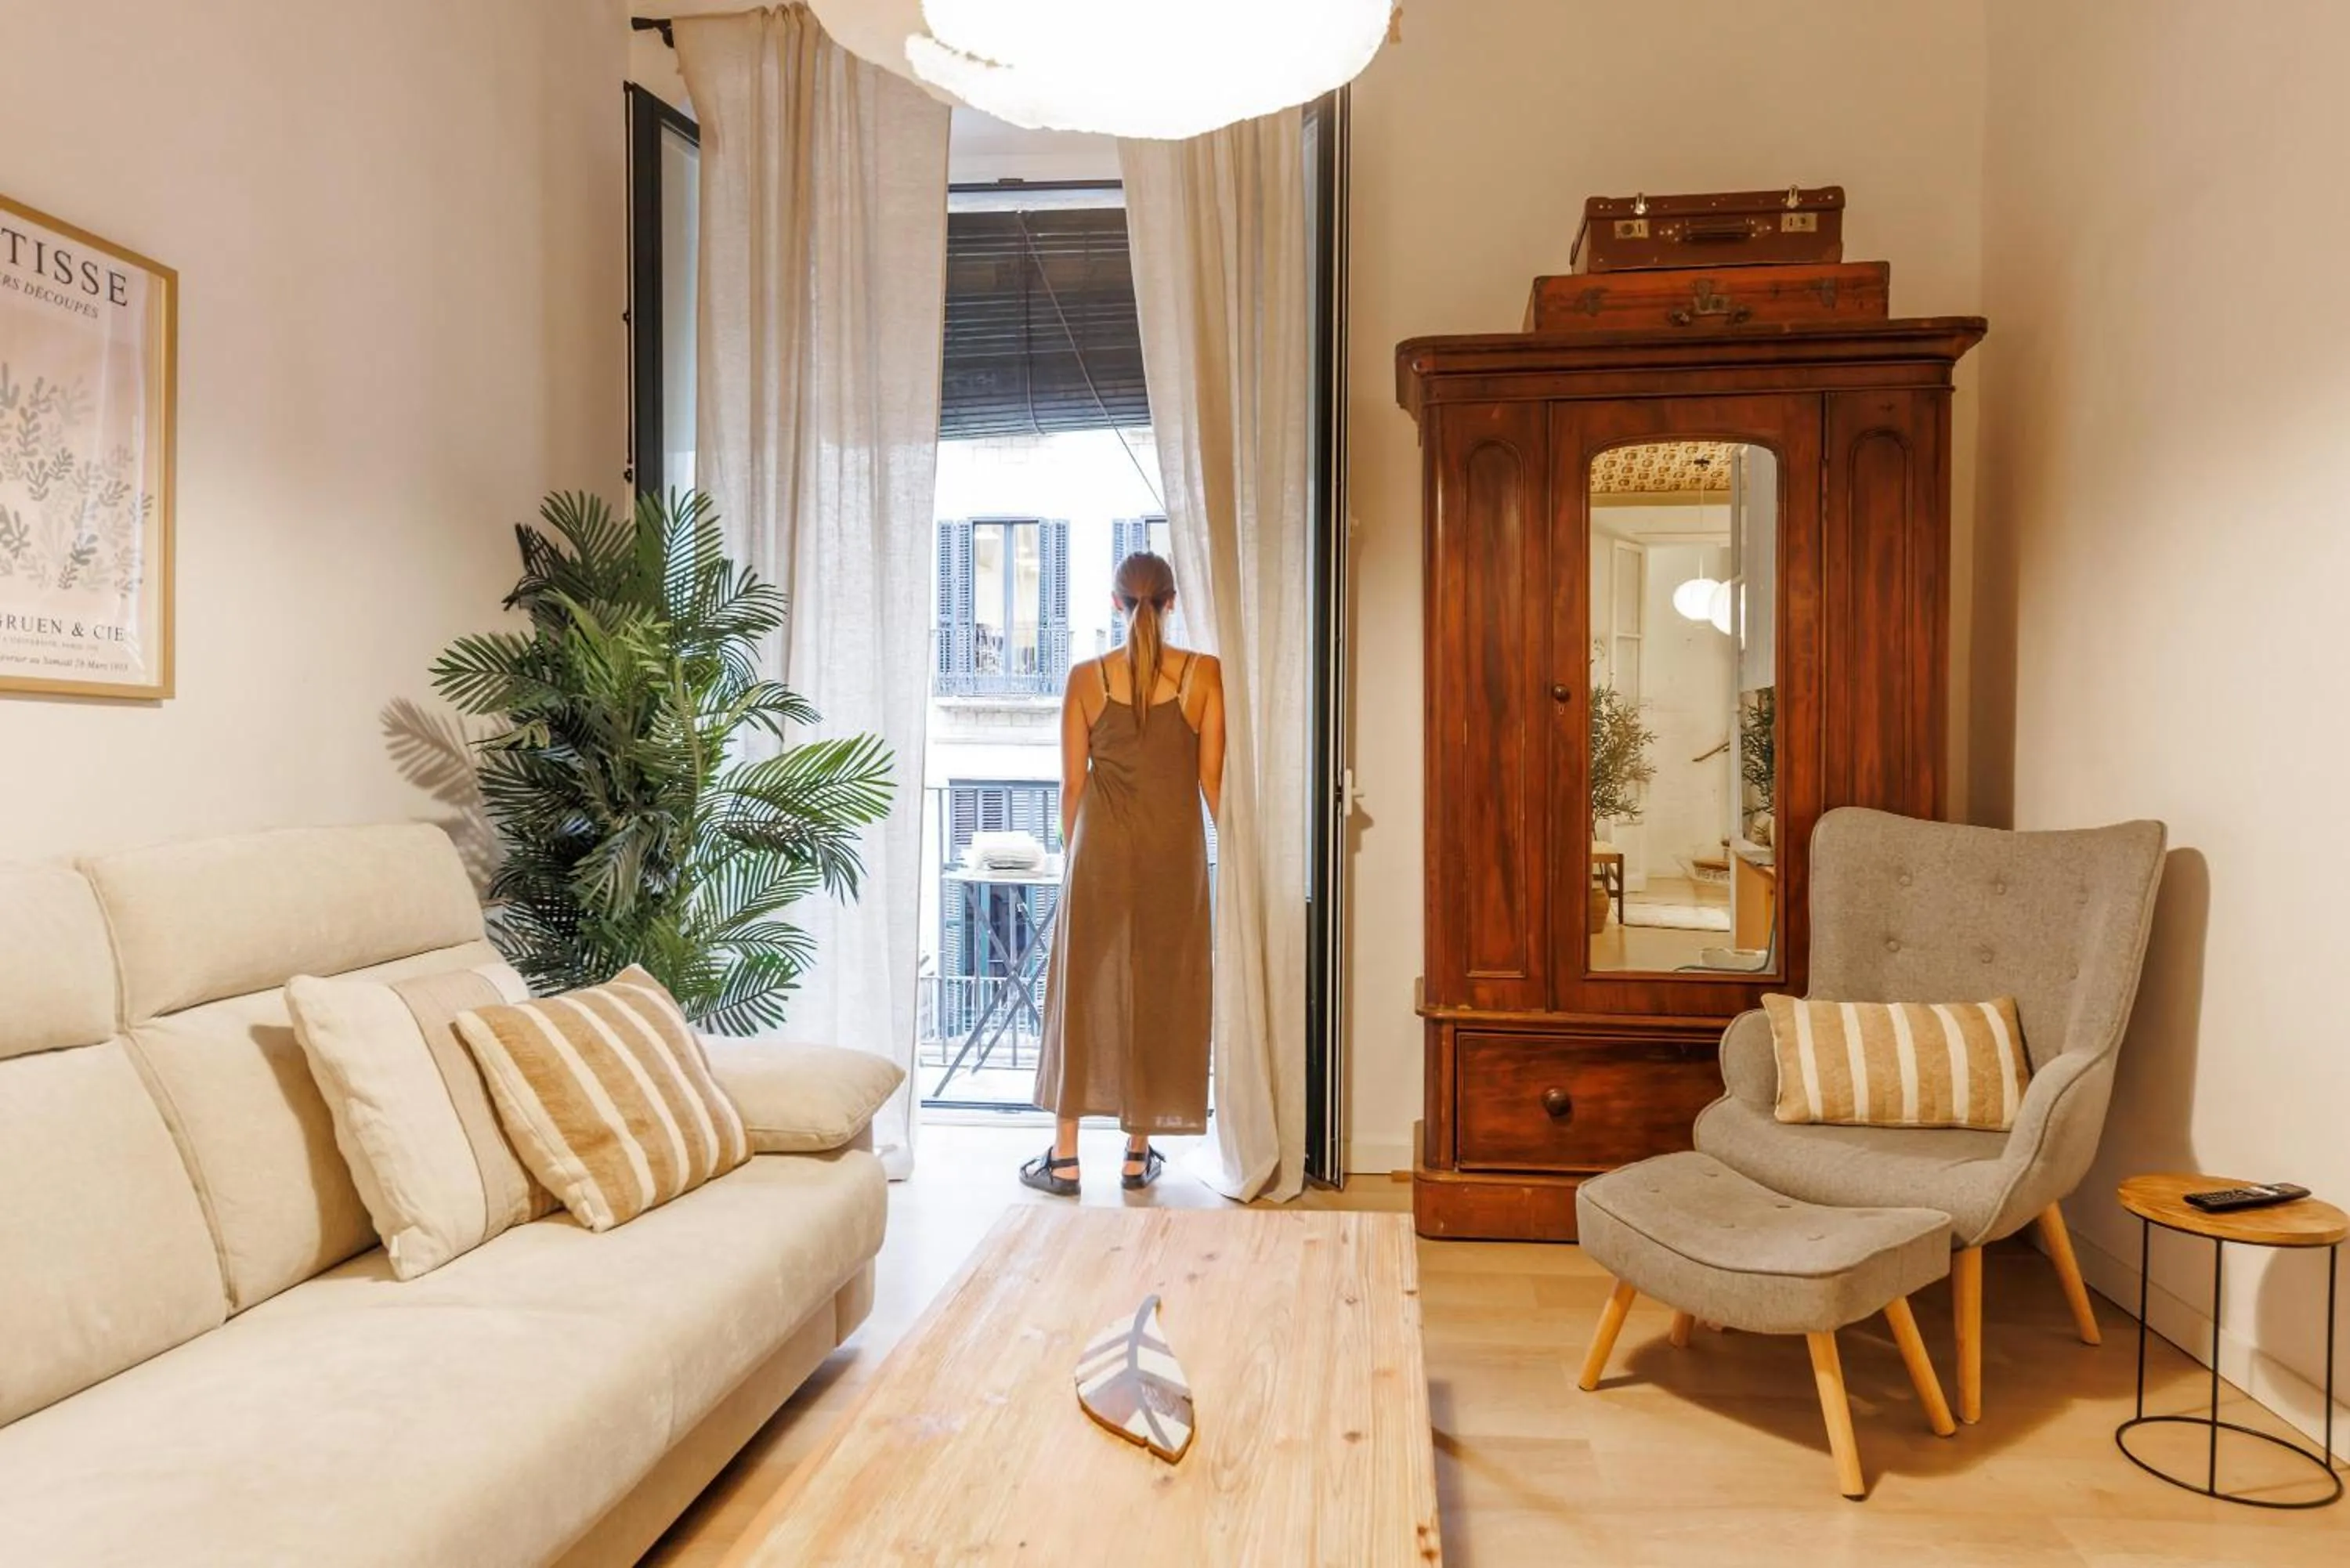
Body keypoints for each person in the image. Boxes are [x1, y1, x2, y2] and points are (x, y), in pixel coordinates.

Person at [1022, 551, 1224, 1194]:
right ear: (1171, 603)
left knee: (1080, 990)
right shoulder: (1204, 675)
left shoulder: (1086, 678)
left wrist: (1074, 857)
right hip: (1174, 854)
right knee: (1163, 987)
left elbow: (1072, 787)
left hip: (1101, 852)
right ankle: (1138, 1156)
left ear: (1116, 604)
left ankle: (1066, 1157)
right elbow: (1212, 785)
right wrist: (1243, 863)